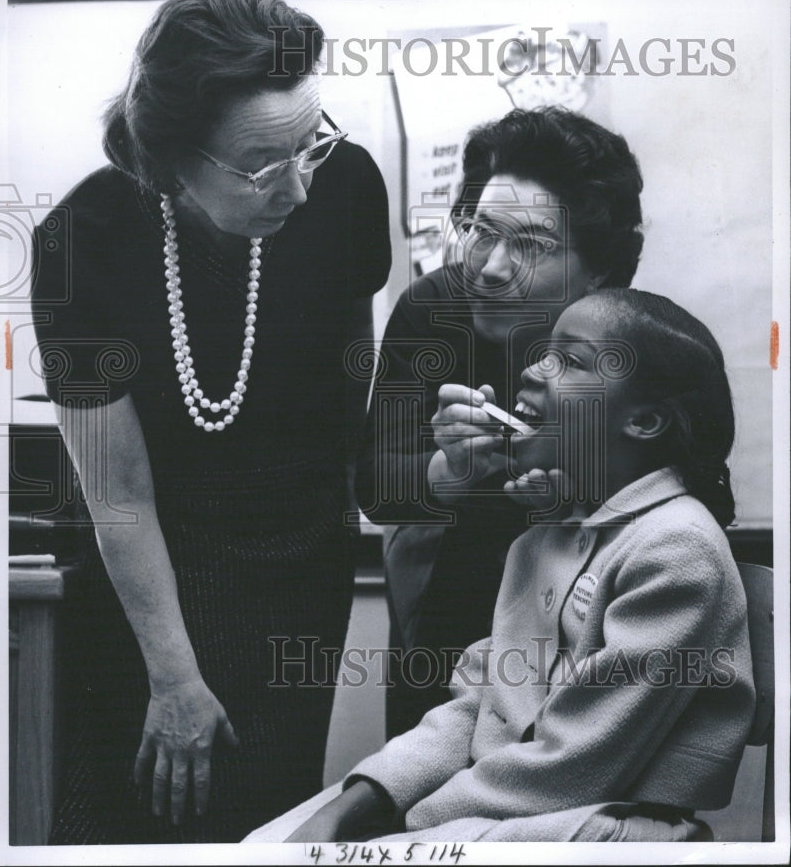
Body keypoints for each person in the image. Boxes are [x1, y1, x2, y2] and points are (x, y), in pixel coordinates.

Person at [30, 0, 391, 844]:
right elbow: (117, 493)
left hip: (301, 566)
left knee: (270, 816)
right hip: (146, 583)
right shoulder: (83, 241)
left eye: (313, 142)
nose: (300, 188)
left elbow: (345, 397)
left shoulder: (344, 189)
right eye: (266, 166)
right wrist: (173, 676)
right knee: (133, 813)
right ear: (171, 161)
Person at [274, 288, 755, 843]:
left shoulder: (676, 549)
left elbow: (575, 764)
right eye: (544, 351)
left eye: (569, 360)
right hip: (513, 812)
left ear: (645, 421)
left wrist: (400, 826)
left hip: (605, 827)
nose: (533, 370)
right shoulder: (542, 538)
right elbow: (482, 707)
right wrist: (364, 797)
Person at [356, 106, 645, 737]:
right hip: (444, 607)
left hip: (587, 624)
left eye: (531, 246)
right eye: (481, 231)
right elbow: (376, 487)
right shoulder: (433, 308)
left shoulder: (632, 339)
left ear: (599, 268)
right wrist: (448, 470)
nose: (489, 267)